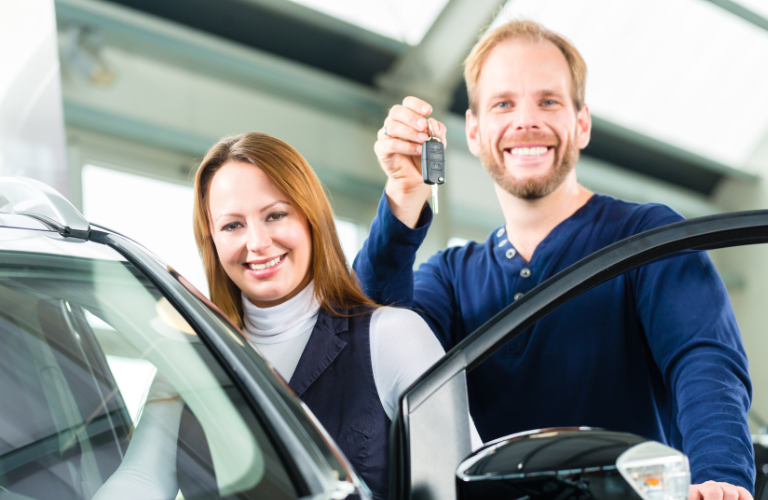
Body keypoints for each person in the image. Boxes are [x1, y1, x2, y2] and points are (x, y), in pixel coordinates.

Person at [353, 19, 755, 500]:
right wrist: (401, 201)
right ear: (476, 132)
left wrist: (721, 479)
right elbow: (369, 353)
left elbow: (704, 362)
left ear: (580, 123)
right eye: (503, 103)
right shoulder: (449, 279)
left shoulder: (650, 237)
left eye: (548, 101)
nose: (526, 121)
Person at [93, 132, 480, 500]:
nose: (257, 243)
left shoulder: (393, 336)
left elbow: (462, 484)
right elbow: (140, 479)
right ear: (211, 241)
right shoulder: (193, 359)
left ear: (311, 218)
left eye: (275, 215)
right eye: (232, 225)